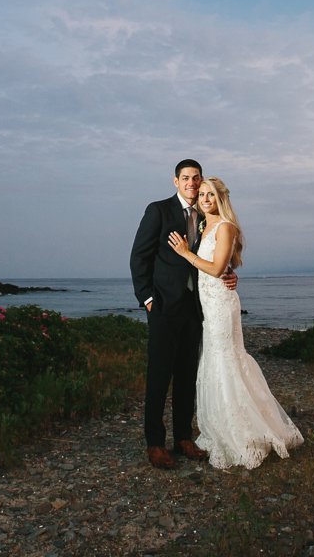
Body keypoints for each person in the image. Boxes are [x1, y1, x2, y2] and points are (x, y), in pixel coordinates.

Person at [168, 176, 304, 470]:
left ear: (221, 199)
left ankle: (242, 431)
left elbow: (217, 269)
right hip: (207, 305)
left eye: (211, 195)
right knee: (213, 363)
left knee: (226, 362)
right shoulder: (204, 227)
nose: (205, 199)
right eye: (202, 194)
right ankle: (217, 426)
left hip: (220, 305)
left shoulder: (226, 227)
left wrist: (186, 254)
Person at [130, 159, 236, 470]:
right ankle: (154, 443)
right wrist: (148, 298)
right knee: (159, 376)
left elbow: (214, 258)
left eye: (196, 178)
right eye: (186, 178)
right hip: (164, 307)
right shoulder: (159, 210)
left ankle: (183, 439)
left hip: (197, 308)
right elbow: (139, 256)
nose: (192, 183)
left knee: (188, 375)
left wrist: (228, 274)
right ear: (176, 181)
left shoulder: (206, 216)